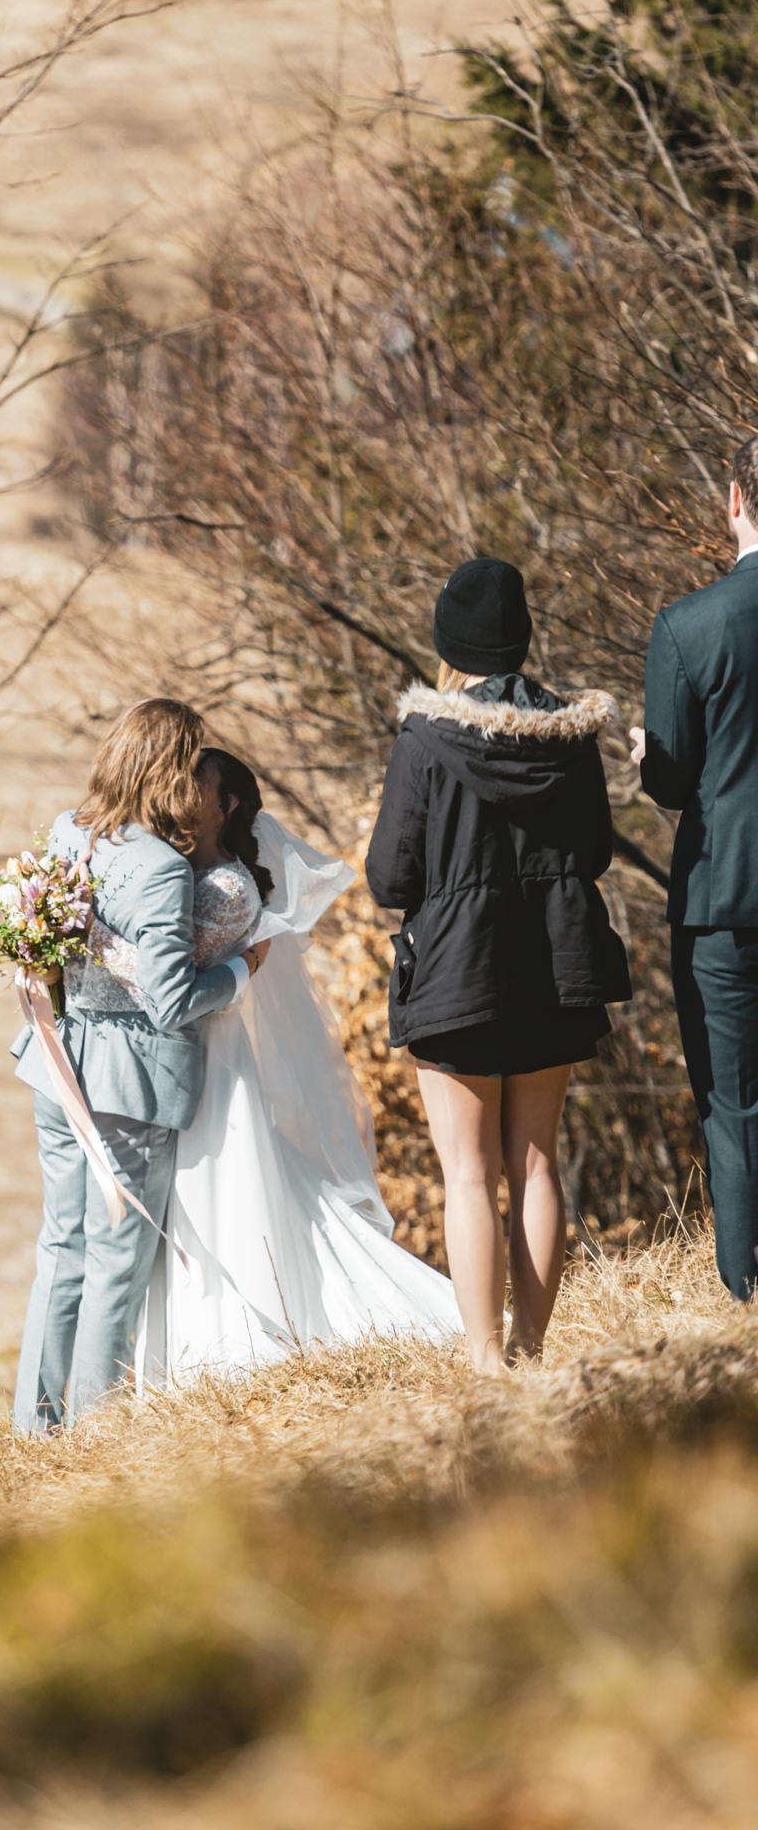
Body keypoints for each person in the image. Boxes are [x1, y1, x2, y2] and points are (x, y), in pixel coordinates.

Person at [367, 557, 631, 1374]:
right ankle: (531, 1351)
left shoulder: (425, 739)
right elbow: (595, 852)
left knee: (470, 1174)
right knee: (538, 1162)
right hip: (555, 964)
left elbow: (390, 878)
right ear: (520, 640)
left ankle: (486, 1363)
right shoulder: (572, 738)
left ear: (451, 644)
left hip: (459, 970)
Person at [136, 747, 461, 1384]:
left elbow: (166, 984)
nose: (180, 788)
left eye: (196, 781)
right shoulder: (175, 871)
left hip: (214, 1059)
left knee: (221, 1185)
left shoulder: (227, 886)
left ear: (226, 805)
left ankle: (237, 1345)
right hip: (189, 1056)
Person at [14, 698, 269, 1436]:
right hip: (128, 1084)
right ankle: (94, 1437)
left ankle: (33, 1429)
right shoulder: (162, 869)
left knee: (61, 1247)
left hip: (57, 1062)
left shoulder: (69, 830)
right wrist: (244, 969)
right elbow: (170, 1002)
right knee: (115, 1264)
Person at [632, 434, 758, 1300]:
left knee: (734, 1108)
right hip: (722, 900)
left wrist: (651, 758)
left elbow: (673, 782)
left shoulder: (689, 625)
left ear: (735, 500)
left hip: (724, 897)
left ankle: (748, 1298)